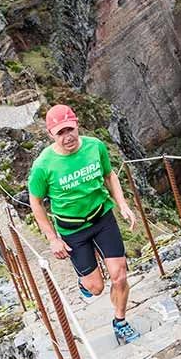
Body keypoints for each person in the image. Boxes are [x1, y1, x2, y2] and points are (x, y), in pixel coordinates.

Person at [28, 104, 141, 345]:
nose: (67, 136)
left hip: (102, 217)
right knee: (96, 287)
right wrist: (52, 238)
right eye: (60, 132)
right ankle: (85, 280)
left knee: (119, 276)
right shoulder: (43, 166)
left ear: (77, 124)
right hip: (72, 230)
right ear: (51, 134)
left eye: (70, 129)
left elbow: (110, 175)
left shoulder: (95, 147)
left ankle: (120, 321)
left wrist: (122, 205)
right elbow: (36, 202)